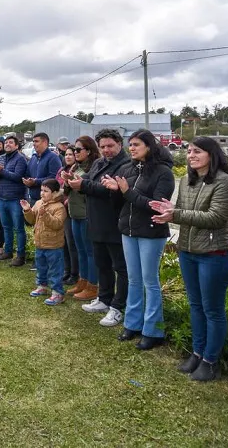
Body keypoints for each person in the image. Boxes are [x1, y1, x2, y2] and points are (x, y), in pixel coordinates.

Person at [151, 136, 228, 381]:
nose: (191, 155)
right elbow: (181, 213)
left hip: (214, 254)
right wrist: (169, 211)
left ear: (212, 154)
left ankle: (211, 360)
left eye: (197, 151)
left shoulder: (224, 182)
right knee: (196, 305)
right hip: (188, 252)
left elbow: (217, 218)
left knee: (213, 310)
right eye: (189, 151)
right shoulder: (186, 180)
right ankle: (197, 353)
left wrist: (176, 213)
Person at [104, 129, 175, 350]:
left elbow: (156, 205)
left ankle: (153, 330)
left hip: (151, 232)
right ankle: (132, 323)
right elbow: (120, 205)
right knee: (133, 279)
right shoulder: (128, 169)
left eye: (136, 144)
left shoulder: (164, 173)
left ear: (149, 146)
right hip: (129, 230)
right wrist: (116, 191)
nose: (131, 148)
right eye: (130, 144)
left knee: (149, 280)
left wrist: (126, 192)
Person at [77, 128, 131, 327]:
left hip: (115, 222)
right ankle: (105, 298)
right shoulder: (100, 162)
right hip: (96, 221)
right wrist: (77, 181)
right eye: (103, 147)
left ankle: (118, 307)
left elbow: (108, 189)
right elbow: (89, 180)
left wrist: (82, 186)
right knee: (102, 264)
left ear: (119, 144)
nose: (106, 150)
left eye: (110, 146)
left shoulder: (126, 164)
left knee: (121, 267)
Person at [64, 136, 101, 302]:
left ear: (89, 150)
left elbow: (89, 189)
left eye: (78, 150)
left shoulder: (94, 168)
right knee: (80, 250)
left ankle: (93, 286)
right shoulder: (76, 167)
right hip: (74, 214)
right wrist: (67, 180)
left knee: (90, 252)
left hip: (87, 215)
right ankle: (82, 281)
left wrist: (74, 181)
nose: (75, 153)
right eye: (74, 150)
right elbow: (68, 191)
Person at [23, 179, 68, 306]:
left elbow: (57, 224)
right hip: (40, 243)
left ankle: (57, 293)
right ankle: (42, 286)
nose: (42, 193)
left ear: (54, 193)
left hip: (54, 245)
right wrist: (27, 210)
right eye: (41, 190)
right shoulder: (38, 203)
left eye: (46, 191)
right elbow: (32, 220)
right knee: (41, 267)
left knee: (55, 270)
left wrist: (46, 215)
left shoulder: (59, 207)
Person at [0, 133, 29, 266]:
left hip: (15, 199)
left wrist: (2, 172)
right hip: (2, 199)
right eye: (6, 143)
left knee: (18, 228)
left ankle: (21, 256)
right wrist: (0, 173)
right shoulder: (0, 158)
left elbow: (17, 177)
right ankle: (8, 251)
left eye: (11, 142)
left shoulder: (20, 159)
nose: (7, 144)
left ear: (17, 146)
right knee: (6, 227)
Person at [56, 147, 79, 283]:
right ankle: (67, 270)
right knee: (63, 242)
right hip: (61, 208)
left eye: (71, 154)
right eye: (66, 154)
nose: (68, 157)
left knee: (72, 243)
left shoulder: (77, 170)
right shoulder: (61, 170)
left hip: (72, 209)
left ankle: (75, 273)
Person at [24, 133, 62, 206]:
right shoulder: (33, 158)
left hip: (48, 202)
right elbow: (27, 174)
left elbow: (55, 179)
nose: (34, 144)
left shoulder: (53, 158)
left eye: (36, 141)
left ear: (45, 142)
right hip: (33, 200)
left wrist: (35, 182)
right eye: (33, 141)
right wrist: (27, 181)